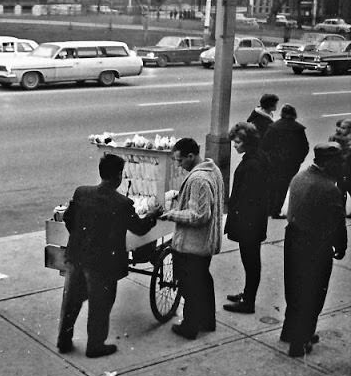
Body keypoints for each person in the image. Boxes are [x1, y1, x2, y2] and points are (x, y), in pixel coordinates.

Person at [57, 153, 162, 358]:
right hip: (103, 263)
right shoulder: (122, 203)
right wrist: (152, 215)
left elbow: (69, 220)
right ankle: (95, 345)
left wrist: (81, 239)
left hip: (77, 255)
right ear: (118, 176)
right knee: (100, 303)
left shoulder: (82, 193)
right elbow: (140, 229)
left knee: (72, 300)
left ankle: (64, 340)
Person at [280, 142, 347, 357]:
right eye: (337, 162)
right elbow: (338, 222)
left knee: (294, 288)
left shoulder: (300, 177)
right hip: (315, 244)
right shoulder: (329, 188)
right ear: (327, 163)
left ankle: (289, 332)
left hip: (293, 238)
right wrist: (341, 246)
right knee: (313, 293)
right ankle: (301, 341)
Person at [160, 138, 224, 340]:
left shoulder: (198, 179)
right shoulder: (213, 170)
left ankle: (190, 326)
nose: (178, 165)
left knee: (190, 286)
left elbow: (199, 215)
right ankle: (207, 321)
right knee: (203, 281)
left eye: (180, 160)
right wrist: (181, 196)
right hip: (205, 242)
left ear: (191, 156)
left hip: (193, 244)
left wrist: (169, 214)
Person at [223, 122, 270, 314]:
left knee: (250, 261)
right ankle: (247, 294)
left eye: (238, 142)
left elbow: (249, 198)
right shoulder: (256, 157)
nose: (235, 145)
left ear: (248, 142)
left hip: (249, 222)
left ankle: (248, 301)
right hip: (252, 221)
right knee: (250, 261)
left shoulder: (253, 164)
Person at [261, 104, 309, 219]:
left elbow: (265, 145)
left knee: (272, 185)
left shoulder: (274, 127)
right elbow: (304, 147)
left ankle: (269, 209)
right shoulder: (298, 129)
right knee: (283, 187)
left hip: (274, 162)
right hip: (291, 164)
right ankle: (276, 210)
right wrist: (299, 160)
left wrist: (270, 158)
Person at [328, 118, 351, 211]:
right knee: (341, 190)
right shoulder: (338, 138)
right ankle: (341, 210)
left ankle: (341, 211)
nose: (341, 130)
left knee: (342, 190)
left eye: (344, 128)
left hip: (345, 169)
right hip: (343, 169)